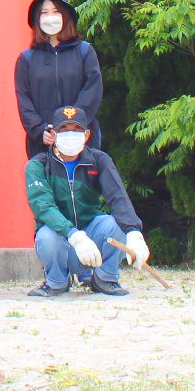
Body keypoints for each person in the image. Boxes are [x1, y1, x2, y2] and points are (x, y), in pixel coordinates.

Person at [26, 105, 149, 297]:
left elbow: (117, 197)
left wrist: (134, 233)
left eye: (76, 130)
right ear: (53, 134)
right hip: (61, 236)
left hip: (91, 229)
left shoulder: (99, 160)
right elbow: (43, 207)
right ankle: (56, 282)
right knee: (46, 237)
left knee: (115, 224)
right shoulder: (38, 165)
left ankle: (106, 278)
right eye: (64, 130)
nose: (70, 135)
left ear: (87, 135)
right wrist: (74, 235)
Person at [15, 0, 104, 156]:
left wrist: (71, 125)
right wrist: (40, 130)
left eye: (56, 11)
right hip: (44, 143)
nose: (50, 17)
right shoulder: (26, 59)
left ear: (66, 15)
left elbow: (92, 90)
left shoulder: (85, 51)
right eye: (44, 13)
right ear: (37, 19)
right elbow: (24, 100)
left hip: (82, 139)